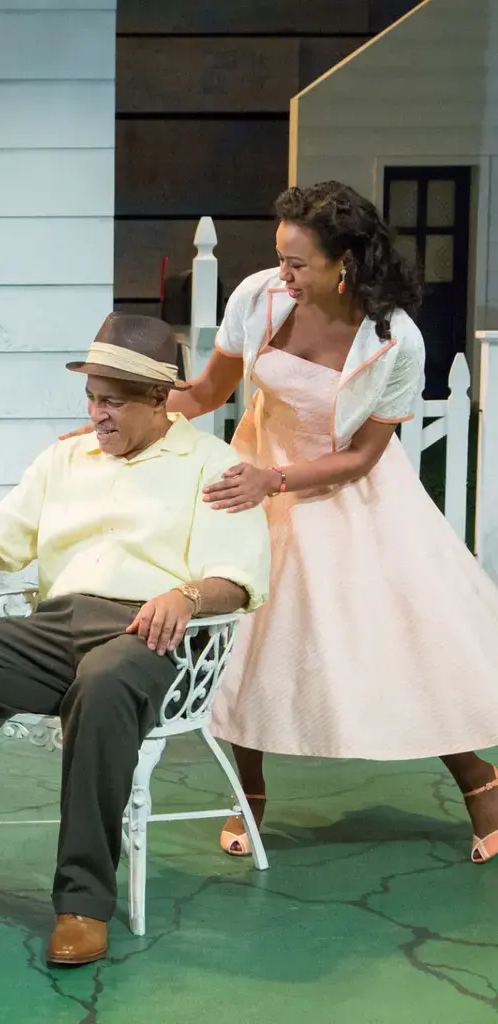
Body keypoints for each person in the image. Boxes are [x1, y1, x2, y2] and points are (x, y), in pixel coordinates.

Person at [0, 313, 270, 966]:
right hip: (55, 628)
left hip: (150, 634)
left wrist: (184, 597)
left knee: (102, 682)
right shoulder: (65, 459)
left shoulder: (212, 464)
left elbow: (236, 579)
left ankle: (82, 903)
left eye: (113, 402)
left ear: (159, 399)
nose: (97, 414)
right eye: (91, 398)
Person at [163, 181, 498, 863]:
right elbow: (207, 392)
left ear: (346, 261)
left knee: (401, 638)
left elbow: (367, 455)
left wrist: (278, 480)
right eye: (279, 258)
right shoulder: (258, 298)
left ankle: (482, 785)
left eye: (297, 264)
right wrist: (124, 414)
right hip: (255, 475)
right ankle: (247, 792)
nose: (282, 275)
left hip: (347, 487)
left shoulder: (394, 338)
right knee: (247, 637)